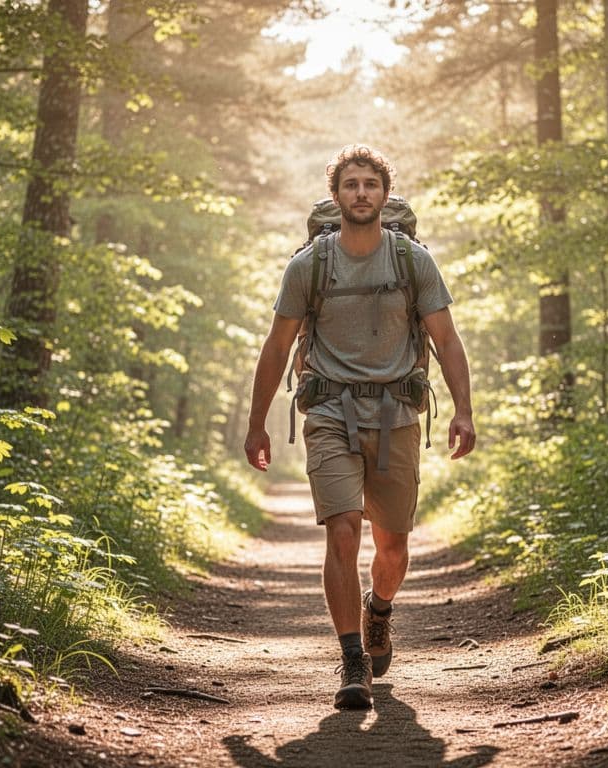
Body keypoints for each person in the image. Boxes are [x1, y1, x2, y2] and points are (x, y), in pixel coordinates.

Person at [243, 144, 476, 710]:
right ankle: (352, 661)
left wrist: (465, 411)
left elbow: (446, 340)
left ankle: (378, 612)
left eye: (371, 184)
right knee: (343, 529)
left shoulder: (412, 261)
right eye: (351, 184)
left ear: (385, 194)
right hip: (329, 412)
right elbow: (277, 347)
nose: (362, 193)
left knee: (393, 545)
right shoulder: (310, 266)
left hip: (397, 412)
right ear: (336, 195)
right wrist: (257, 426)